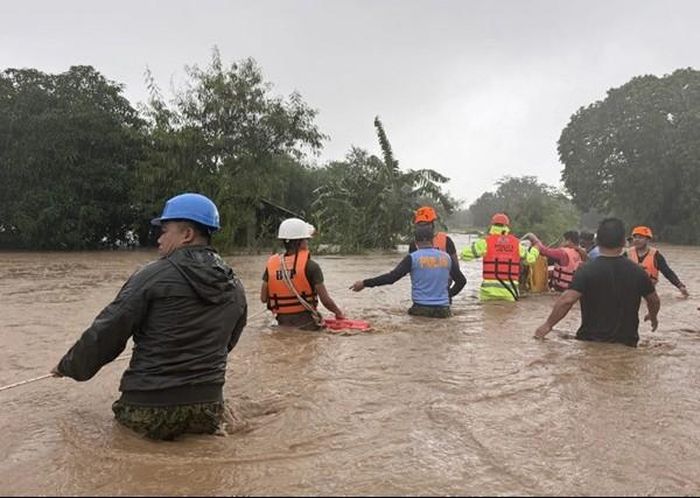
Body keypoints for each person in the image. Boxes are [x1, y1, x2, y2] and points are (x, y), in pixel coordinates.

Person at [51, 193, 248, 440]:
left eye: (165, 231)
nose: (159, 239)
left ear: (187, 234)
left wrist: (68, 366)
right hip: (207, 410)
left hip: (147, 408)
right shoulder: (235, 285)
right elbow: (227, 343)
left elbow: (108, 330)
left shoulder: (151, 275)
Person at [534, 217, 660, 347]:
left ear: (597, 241)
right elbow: (654, 300)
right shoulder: (638, 272)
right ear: (623, 242)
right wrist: (653, 316)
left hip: (589, 342)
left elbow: (567, 300)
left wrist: (547, 325)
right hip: (627, 343)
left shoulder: (586, 270)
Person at [350, 223, 466, 317]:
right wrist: (448, 295)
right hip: (443, 311)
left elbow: (391, 278)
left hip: (420, 309)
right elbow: (461, 281)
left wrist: (365, 283)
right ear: (432, 240)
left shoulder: (413, 258)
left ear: (415, 242)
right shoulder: (446, 258)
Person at [261, 217, 344, 330]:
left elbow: (263, 298)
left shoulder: (271, 266)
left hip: (282, 328)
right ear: (300, 242)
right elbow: (326, 301)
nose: (307, 242)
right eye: (306, 239)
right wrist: (339, 313)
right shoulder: (311, 266)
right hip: (308, 328)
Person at [460, 213, 539, 301]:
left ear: (492, 225)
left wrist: (477, 246)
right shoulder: (516, 244)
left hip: (488, 294)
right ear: (506, 226)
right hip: (509, 293)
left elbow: (464, 254)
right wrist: (535, 249)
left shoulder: (486, 242)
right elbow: (530, 260)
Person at [409, 205, 465, 300]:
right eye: (420, 225)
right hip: (423, 294)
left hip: (441, 292)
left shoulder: (446, 241)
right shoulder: (414, 244)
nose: (423, 228)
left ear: (432, 225)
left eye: (425, 224)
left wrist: (449, 295)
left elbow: (457, 271)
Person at [627, 226, 689, 298]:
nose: (637, 240)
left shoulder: (656, 255)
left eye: (640, 237)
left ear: (648, 239)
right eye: (635, 237)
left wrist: (680, 286)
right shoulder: (627, 254)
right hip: (629, 292)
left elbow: (667, 272)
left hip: (648, 293)